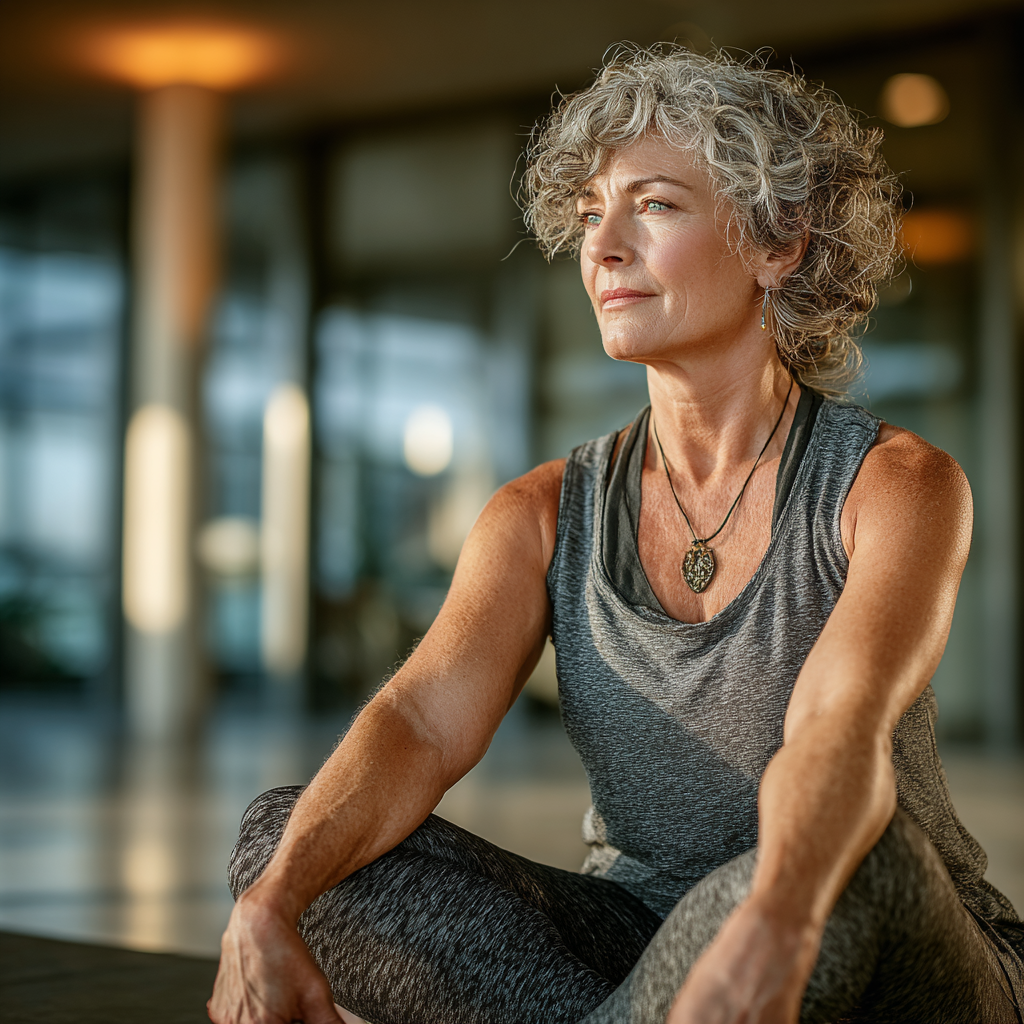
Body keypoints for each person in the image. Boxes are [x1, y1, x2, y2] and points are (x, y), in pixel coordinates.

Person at [207, 46, 1024, 1024]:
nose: (602, 246)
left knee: (852, 856)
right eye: (593, 212)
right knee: (285, 843)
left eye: (656, 205)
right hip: (640, 937)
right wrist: (271, 902)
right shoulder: (542, 513)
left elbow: (833, 732)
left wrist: (770, 917)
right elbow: (419, 724)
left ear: (780, 241)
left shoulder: (893, 485)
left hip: (880, 941)